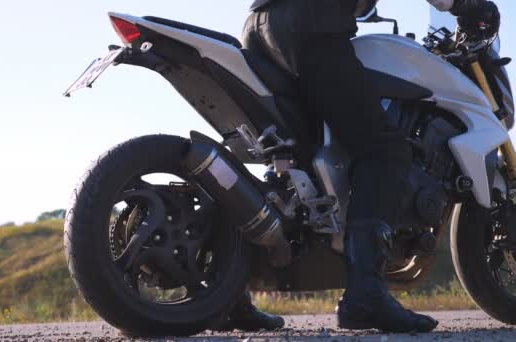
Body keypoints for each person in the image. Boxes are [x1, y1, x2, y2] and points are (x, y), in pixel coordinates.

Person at [214, 0, 501, 333]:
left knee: (295, 162)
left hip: (259, 27)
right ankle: (366, 293)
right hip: (311, 24)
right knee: (384, 150)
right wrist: (464, 5)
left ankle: (228, 292)